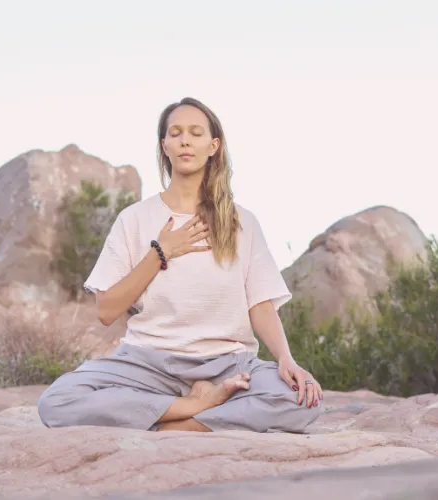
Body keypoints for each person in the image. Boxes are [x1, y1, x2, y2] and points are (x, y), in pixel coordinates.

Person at [38, 97, 323, 433]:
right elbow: (107, 309)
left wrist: (287, 360)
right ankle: (195, 406)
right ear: (165, 146)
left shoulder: (242, 222)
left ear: (213, 145)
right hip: (146, 363)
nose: (185, 140)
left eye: (195, 133)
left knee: (301, 402)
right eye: (175, 133)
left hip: (227, 364)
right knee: (57, 402)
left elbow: (260, 305)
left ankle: (178, 426)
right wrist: (160, 253)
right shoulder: (135, 219)